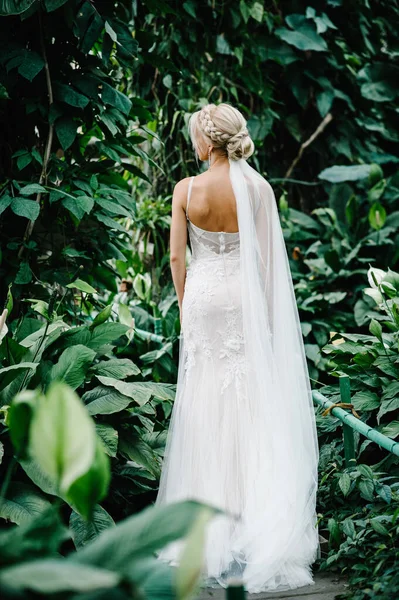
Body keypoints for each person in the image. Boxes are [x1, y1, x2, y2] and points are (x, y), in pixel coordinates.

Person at [154, 102, 320, 594]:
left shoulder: (186, 190)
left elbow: (176, 256)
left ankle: (205, 525)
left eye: (194, 138)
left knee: (204, 403)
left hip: (204, 302)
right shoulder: (259, 189)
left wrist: (188, 305)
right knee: (249, 405)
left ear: (206, 141)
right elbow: (269, 262)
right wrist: (267, 318)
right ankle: (252, 520)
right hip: (244, 304)